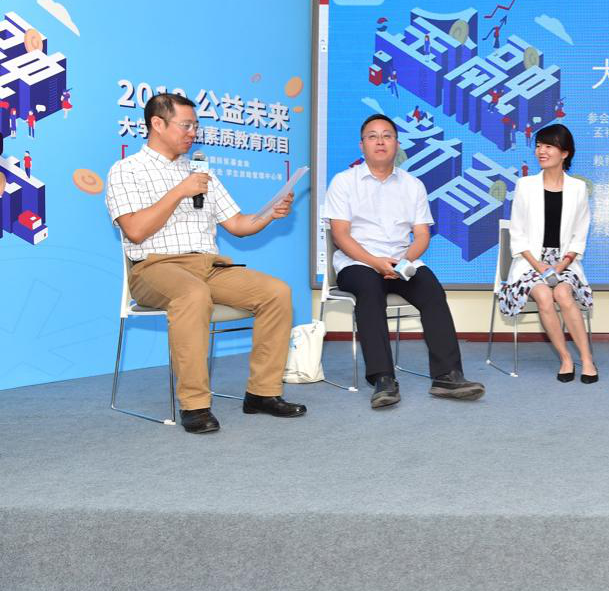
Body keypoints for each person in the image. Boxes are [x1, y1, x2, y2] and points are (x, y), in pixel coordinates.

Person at [105, 93, 305, 434]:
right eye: (186, 125)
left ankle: (262, 393)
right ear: (157, 124)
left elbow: (238, 224)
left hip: (208, 266)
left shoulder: (200, 172)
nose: (193, 133)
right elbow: (135, 231)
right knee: (193, 294)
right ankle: (195, 405)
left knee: (276, 292)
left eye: (195, 126)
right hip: (154, 267)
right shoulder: (126, 170)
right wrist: (178, 192)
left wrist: (270, 214)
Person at [323, 114, 484, 409]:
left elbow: (422, 235)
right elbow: (340, 235)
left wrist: (402, 262)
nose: (380, 142)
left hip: (401, 260)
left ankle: (447, 376)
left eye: (387, 136)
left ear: (397, 144)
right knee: (369, 289)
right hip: (357, 262)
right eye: (372, 136)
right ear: (362, 145)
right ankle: (383, 378)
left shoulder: (413, 184)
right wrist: (375, 262)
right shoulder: (344, 182)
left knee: (431, 289)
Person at [499, 123, 597, 382]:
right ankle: (565, 358)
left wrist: (562, 265)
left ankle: (587, 359)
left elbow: (579, 235)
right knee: (544, 295)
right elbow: (517, 233)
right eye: (539, 146)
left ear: (564, 153)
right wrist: (539, 265)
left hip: (565, 262)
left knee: (563, 293)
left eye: (549, 146)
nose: (541, 151)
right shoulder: (525, 185)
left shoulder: (578, 188)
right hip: (530, 262)